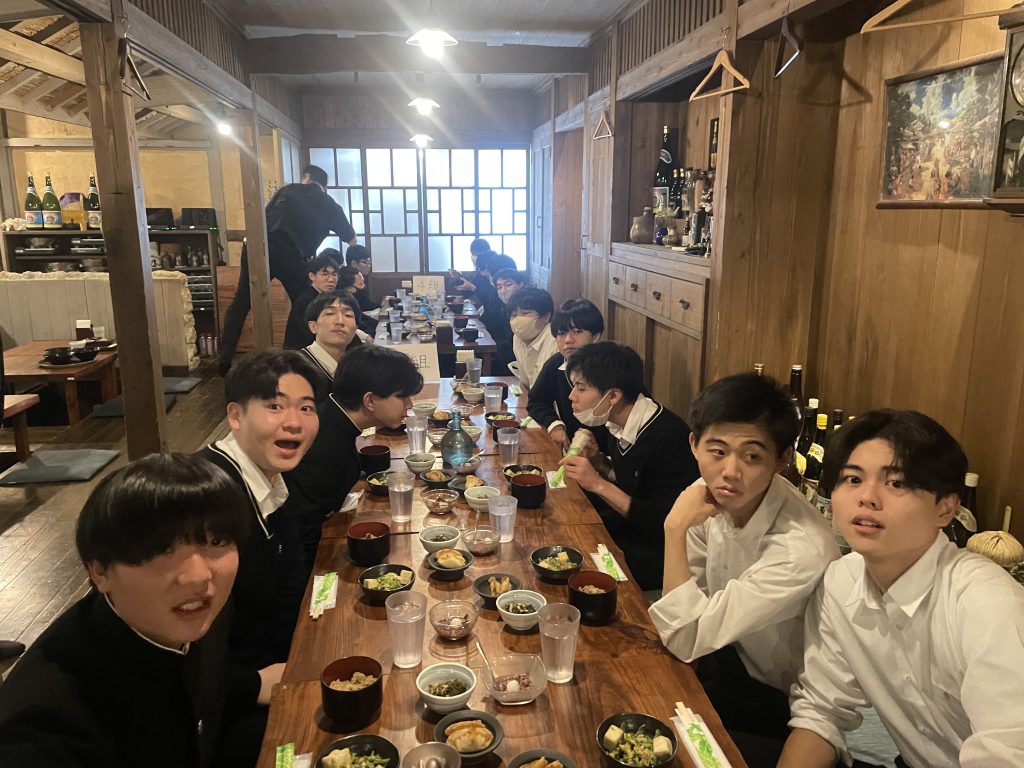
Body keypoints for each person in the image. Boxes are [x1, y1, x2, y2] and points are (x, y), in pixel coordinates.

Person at [779, 410, 1024, 768]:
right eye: (852, 479)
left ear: (946, 509)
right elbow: (822, 710)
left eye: (896, 483)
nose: (867, 497)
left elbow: (1007, 754)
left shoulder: (987, 606)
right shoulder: (840, 583)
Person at [0, 453, 264, 768]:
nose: (199, 576)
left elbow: (197, 677)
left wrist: (254, 685)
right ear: (99, 572)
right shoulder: (46, 724)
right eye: (160, 550)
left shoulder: (193, 611)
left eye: (217, 541)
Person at [648, 373, 840, 745]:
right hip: (719, 654)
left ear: (783, 458)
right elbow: (688, 603)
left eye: (752, 456)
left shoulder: (800, 549)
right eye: (718, 452)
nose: (730, 472)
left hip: (781, 703)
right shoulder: (707, 494)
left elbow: (685, 635)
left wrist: (674, 529)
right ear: (694, 445)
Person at [197, 351, 319, 675]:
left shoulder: (273, 476)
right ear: (236, 416)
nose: (294, 422)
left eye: (306, 408)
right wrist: (252, 684)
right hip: (233, 690)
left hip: (287, 657)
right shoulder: (207, 497)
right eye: (275, 406)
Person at [558, 341, 699, 592]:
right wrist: (600, 463)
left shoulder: (668, 437)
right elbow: (632, 480)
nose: (572, 396)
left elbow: (662, 522)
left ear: (613, 396)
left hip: (661, 555)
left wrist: (597, 484)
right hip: (629, 531)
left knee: (571, 567)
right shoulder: (617, 421)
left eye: (581, 388)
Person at [283, 345, 423, 567]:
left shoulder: (333, 415)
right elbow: (306, 528)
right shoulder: (324, 445)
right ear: (370, 401)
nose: (409, 406)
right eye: (403, 398)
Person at [219, 164, 357, 375]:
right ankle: (308, 358)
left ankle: (223, 360)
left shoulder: (288, 190)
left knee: (241, 302)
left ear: (306, 178)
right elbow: (351, 239)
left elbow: (261, 219)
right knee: (306, 303)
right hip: (292, 252)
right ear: (324, 186)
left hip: (257, 246)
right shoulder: (329, 203)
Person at [527, 297, 606, 451]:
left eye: (577, 332)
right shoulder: (555, 364)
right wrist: (554, 424)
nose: (568, 340)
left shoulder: (610, 367)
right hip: (572, 451)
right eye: (562, 333)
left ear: (596, 336)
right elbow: (536, 401)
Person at [298, 291, 362, 398]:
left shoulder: (356, 365)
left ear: (356, 329)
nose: (340, 321)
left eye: (348, 315)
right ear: (313, 326)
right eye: (330, 313)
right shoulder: (298, 368)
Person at [282, 249, 341, 350]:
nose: (331, 279)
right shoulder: (307, 301)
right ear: (312, 276)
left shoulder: (327, 297)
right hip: (299, 354)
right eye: (325, 274)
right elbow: (314, 335)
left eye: (334, 275)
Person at [507, 286, 560, 391]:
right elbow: (525, 384)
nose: (518, 319)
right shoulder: (517, 338)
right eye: (514, 315)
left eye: (525, 313)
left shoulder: (556, 341)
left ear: (546, 316)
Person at [337, 265, 377, 338]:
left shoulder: (354, 298)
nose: (364, 286)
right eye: (361, 284)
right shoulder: (344, 303)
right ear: (348, 288)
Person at [345, 244, 376, 313]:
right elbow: (364, 306)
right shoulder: (346, 279)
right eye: (365, 262)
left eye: (369, 262)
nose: (369, 265)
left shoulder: (360, 277)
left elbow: (366, 302)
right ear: (354, 263)